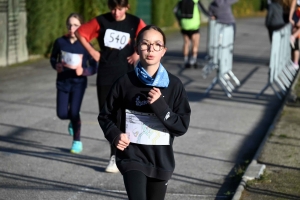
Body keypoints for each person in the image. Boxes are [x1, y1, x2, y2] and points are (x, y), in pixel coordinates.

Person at [98, 25, 191, 200]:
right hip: (132, 156)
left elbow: (181, 126)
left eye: (157, 45)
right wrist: (115, 135)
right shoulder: (124, 82)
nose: (151, 49)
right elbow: (105, 115)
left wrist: (161, 108)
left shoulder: (174, 85)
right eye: (145, 44)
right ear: (137, 48)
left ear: (163, 51)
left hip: (160, 159)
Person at [75, 0, 146, 173]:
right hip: (106, 75)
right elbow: (80, 33)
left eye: (120, 9)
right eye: (113, 8)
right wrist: (92, 51)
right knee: (108, 116)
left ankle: (130, 154)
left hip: (127, 77)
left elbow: (149, 36)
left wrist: (137, 53)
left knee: (127, 117)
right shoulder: (101, 21)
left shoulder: (135, 22)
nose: (116, 12)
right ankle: (113, 156)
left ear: (127, 7)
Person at [50, 13, 98, 154]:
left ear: (81, 26)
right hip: (63, 82)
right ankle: (72, 118)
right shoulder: (60, 42)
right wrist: (56, 66)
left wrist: (83, 71)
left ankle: (77, 141)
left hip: (78, 83)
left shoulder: (85, 44)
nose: (72, 28)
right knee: (62, 113)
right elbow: (53, 58)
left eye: (76, 25)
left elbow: (95, 66)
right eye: (70, 25)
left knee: (75, 112)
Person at [174, 0, 209, 69]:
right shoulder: (196, 1)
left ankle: (186, 60)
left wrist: (179, 20)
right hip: (194, 25)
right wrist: (211, 15)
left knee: (186, 43)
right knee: (195, 43)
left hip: (184, 25)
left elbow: (175, 11)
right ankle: (193, 60)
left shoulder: (181, 1)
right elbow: (203, 11)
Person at [289, 0, 300, 69]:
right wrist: (290, 18)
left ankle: (295, 62)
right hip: (297, 13)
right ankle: (295, 62)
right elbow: (293, 6)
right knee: (296, 43)